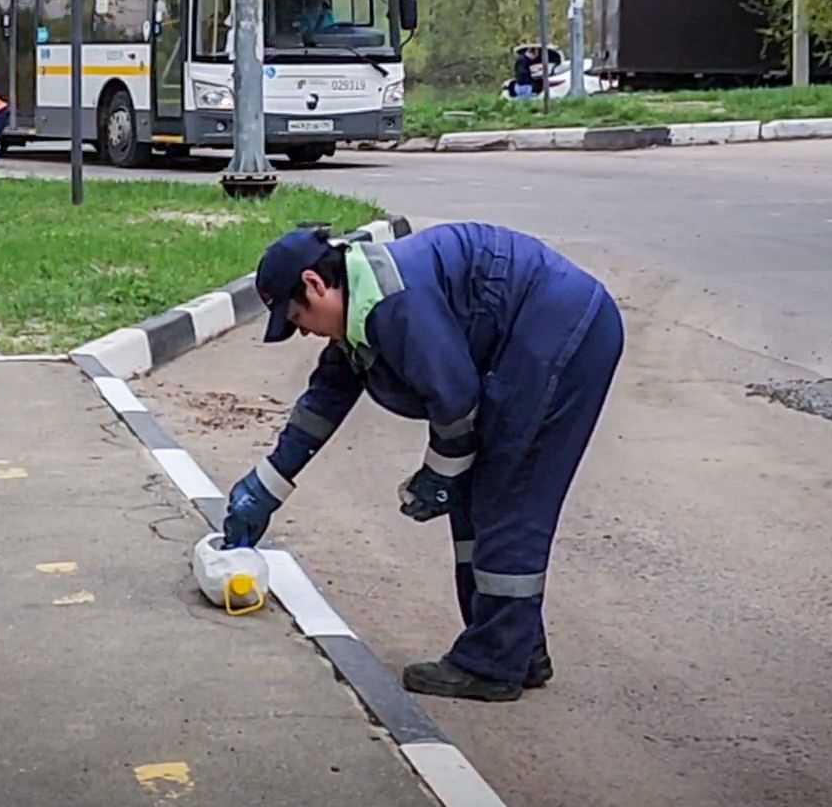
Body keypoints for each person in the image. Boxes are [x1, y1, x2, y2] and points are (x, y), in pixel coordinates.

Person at [222, 222, 625, 703]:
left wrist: (438, 475)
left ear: (314, 284)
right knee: (481, 497)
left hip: (561, 336)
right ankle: (515, 647)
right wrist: (264, 488)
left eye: (297, 317)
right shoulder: (360, 306)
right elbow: (323, 402)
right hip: (540, 334)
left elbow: (455, 403)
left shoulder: (395, 304)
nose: (304, 332)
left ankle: (494, 662)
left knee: (507, 494)